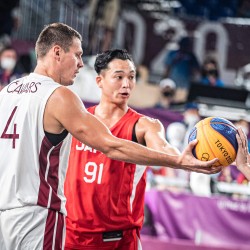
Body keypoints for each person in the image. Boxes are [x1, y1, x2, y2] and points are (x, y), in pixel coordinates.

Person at [0, 23, 221, 250]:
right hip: (41, 219)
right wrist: (180, 162)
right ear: (57, 52)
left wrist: (178, 157)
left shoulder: (6, 93)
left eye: (132, 77)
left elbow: (162, 147)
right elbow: (111, 146)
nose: (79, 64)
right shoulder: (62, 100)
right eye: (77, 55)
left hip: (107, 236)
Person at [64, 49, 220, 250]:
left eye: (131, 77)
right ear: (99, 81)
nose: (126, 84)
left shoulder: (144, 125)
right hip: (70, 234)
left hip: (116, 238)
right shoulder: (78, 120)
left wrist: (183, 159)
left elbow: (164, 148)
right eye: (118, 77)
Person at [163, 36, 200, 102]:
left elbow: (196, 69)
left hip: (185, 84)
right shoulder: (172, 54)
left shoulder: (191, 56)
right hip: (172, 81)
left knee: (181, 100)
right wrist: (165, 79)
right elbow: (167, 67)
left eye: (186, 45)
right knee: (169, 99)